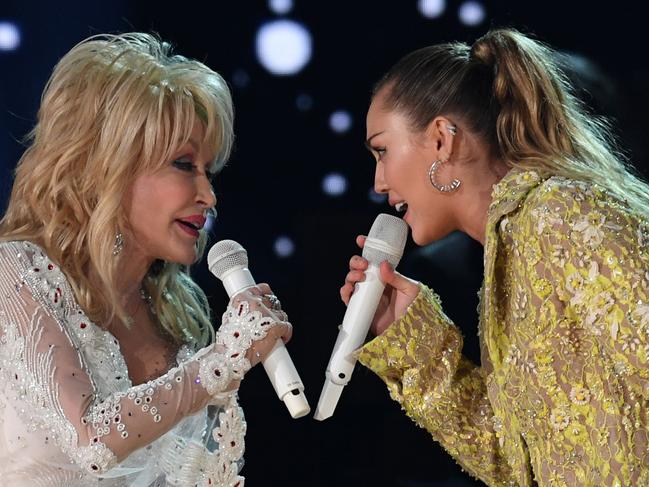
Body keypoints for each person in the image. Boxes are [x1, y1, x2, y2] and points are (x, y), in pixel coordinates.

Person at [341, 28, 649, 486]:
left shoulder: (561, 216)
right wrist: (418, 346)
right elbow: (513, 467)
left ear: (442, 139)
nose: (379, 182)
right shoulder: (507, 259)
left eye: (382, 151)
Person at [0, 33, 292, 486]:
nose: (209, 195)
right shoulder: (17, 273)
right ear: (108, 165)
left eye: (208, 171)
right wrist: (223, 360)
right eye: (183, 164)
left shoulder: (177, 321)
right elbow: (92, 442)